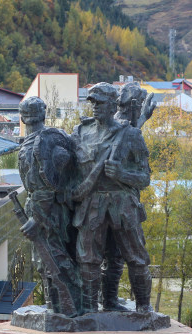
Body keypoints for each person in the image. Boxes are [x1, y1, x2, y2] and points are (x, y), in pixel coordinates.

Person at [71, 83, 154, 314]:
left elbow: (145, 178)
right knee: (88, 260)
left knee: (136, 258)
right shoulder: (81, 133)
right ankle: (89, 309)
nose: (95, 107)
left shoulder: (130, 135)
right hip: (92, 205)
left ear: (112, 105)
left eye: (100, 102)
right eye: (93, 102)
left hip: (123, 205)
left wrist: (122, 174)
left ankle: (144, 308)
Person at [17, 96, 80, 314]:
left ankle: (62, 307)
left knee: (50, 259)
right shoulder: (57, 138)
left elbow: (42, 187)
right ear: (43, 114)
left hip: (47, 213)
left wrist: (37, 218)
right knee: (50, 258)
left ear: (23, 118)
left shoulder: (34, 147)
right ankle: (59, 305)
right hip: (58, 209)